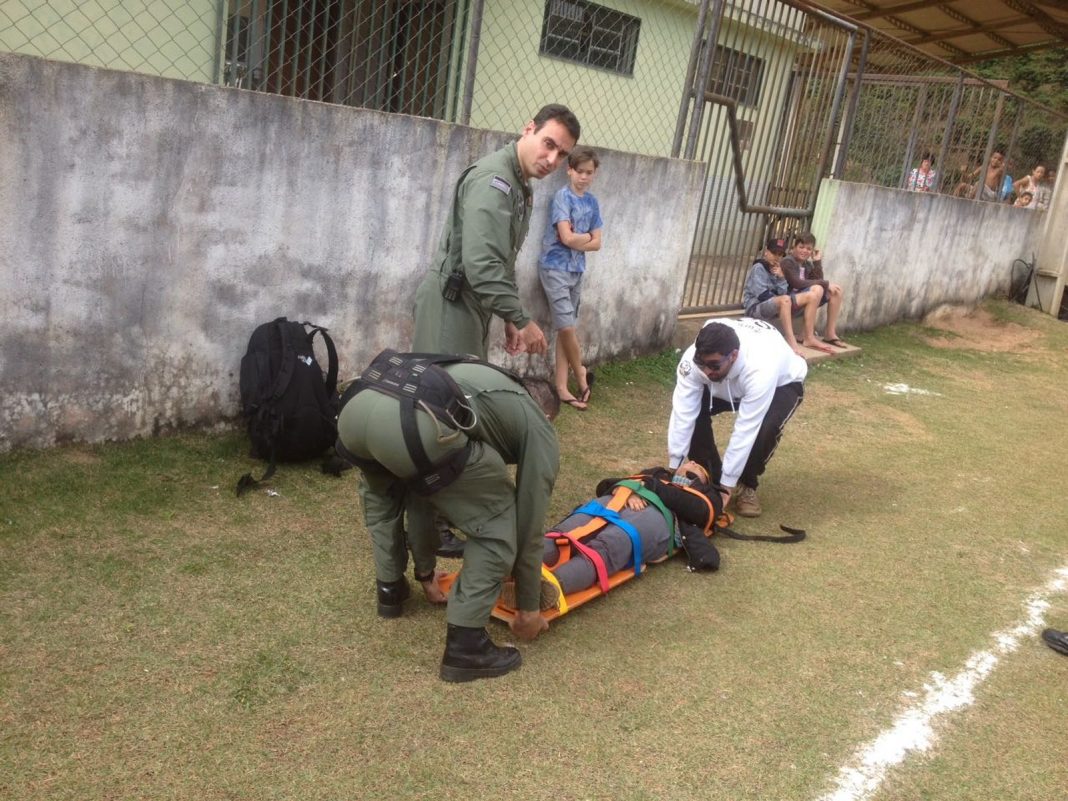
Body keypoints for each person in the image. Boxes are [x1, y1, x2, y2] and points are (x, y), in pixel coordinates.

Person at [336, 351, 559, 682]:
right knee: (498, 522)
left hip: (356, 410)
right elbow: (529, 520)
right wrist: (528, 608)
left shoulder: (474, 374)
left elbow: (424, 495)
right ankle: (466, 646)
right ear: (547, 414)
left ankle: (391, 591)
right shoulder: (536, 421)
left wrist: (427, 574)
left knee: (387, 498)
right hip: (416, 421)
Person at [411, 104, 581, 362]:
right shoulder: (495, 182)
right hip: (451, 304)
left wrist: (508, 316)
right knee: (444, 394)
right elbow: (482, 264)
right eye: (548, 144)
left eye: (561, 155)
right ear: (528, 129)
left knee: (460, 392)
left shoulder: (520, 186)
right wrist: (520, 318)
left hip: (473, 304)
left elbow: (503, 258)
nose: (552, 160)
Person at [517, 461, 722, 604]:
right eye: (690, 461)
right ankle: (509, 566)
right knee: (565, 534)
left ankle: (541, 590)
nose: (693, 461)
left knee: (607, 547)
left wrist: (645, 487)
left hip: (659, 517)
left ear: (704, 480)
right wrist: (625, 489)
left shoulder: (706, 494)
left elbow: (698, 510)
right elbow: (607, 484)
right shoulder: (657, 473)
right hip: (617, 501)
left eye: (698, 466)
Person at [667, 319, 807, 518]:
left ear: (733, 356)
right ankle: (711, 478)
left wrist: (728, 485)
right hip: (728, 381)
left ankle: (747, 484)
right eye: (702, 363)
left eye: (713, 365)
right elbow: (683, 413)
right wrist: (673, 467)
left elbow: (746, 429)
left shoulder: (761, 368)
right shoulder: (693, 362)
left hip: (782, 383)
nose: (706, 371)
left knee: (766, 428)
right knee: (695, 413)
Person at [537, 147, 603, 411]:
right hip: (554, 267)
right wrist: (585, 238)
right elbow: (565, 237)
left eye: (589, 173)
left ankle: (562, 388)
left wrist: (582, 238)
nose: (584, 177)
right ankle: (581, 375)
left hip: (577, 270)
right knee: (566, 327)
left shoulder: (592, 202)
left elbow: (597, 243)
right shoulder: (561, 198)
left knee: (567, 329)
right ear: (569, 170)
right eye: (580, 171)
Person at [742, 236, 833, 356]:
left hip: (775, 305)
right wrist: (782, 301)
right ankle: (791, 342)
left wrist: (781, 278)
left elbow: (783, 292)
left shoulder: (778, 269)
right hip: (755, 308)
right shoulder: (759, 268)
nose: (777, 256)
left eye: (780, 254)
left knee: (812, 296)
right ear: (766, 252)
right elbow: (762, 295)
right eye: (774, 253)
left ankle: (808, 336)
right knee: (785, 300)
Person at [779, 231, 848, 349]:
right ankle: (808, 337)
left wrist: (817, 262)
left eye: (808, 249)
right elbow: (796, 282)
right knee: (818, 288)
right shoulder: (788, 261)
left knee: (836, 291)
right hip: (788, 300)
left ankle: (830, 333)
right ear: (793, 248)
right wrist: (824, 284)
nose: (804, 251)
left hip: (805, 299)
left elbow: (819, 281)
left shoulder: (807, 265)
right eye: (801, 247)